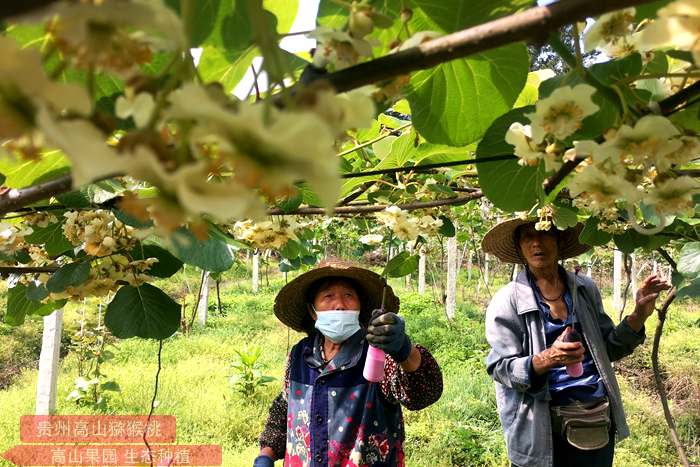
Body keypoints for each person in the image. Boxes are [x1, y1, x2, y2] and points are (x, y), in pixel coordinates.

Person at [481, 218, 670, 467]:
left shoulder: (583, 289)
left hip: (594, 420)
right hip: (540, 429)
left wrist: (638, 315)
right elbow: (500, 368)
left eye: (545, 232)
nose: (536, 242)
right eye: (527, 236)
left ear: (559, 240)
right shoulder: (507, 301)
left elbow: (608, 349)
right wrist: (547, 358)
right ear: (519, 247)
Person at [253, 258, 443, 467]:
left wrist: (404, 350)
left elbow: (424, 393)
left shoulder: (378, 354)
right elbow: (285, 408)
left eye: (348, 296)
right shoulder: (300, 354)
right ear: (312, 311)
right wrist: (266, 454)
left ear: (360, 307)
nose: (340, 305)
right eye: (328, 296)